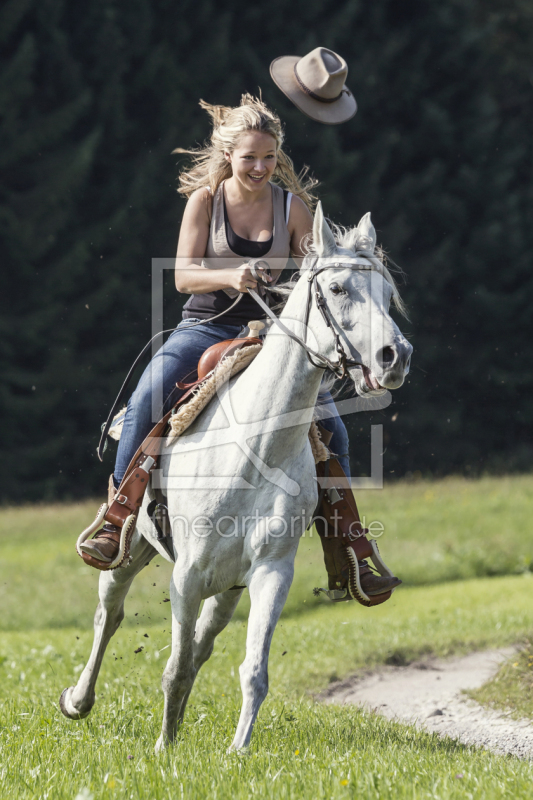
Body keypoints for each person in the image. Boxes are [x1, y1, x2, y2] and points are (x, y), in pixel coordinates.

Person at [80, 94, 400, 599]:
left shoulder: (293, 207)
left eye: (269, 157)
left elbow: (317, 274)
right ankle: (116, 515)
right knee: (147, 397)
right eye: (249, 156)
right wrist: (234, 273)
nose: (259, 167)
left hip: (274, 337)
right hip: (204, 329)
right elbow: (184, 277)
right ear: (227, 153)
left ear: (278, 157)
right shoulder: (204, 203)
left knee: (334, 433)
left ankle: (347, 551)